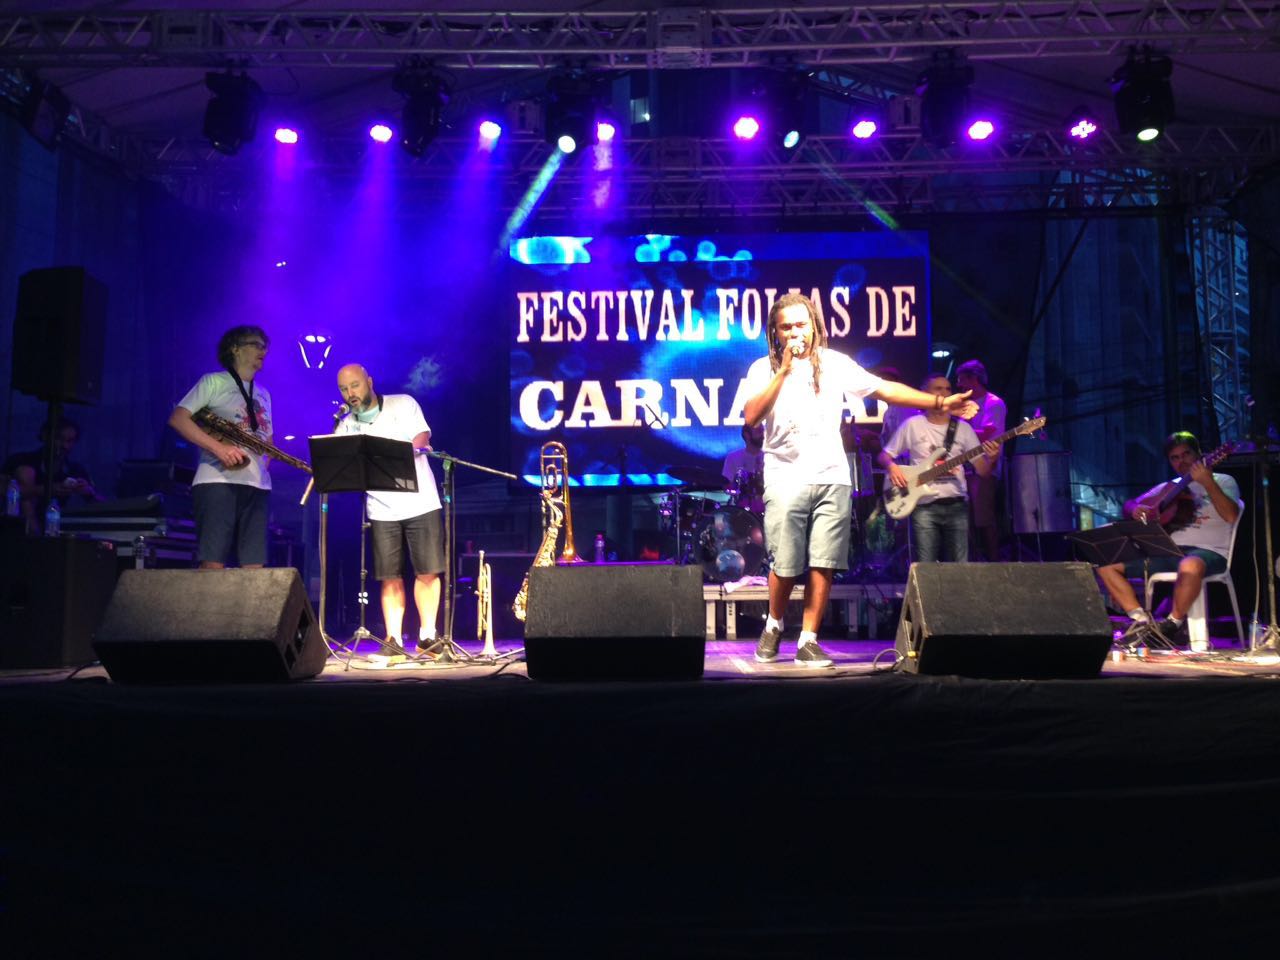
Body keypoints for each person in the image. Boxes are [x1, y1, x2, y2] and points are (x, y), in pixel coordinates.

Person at [743, 293, 978, 668]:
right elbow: (752, 416)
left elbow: (885, 389)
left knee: (825, 560)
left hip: (832, 475)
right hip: (785, 475)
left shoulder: (834, 364)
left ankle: (808, 640)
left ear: (814, 327)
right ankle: (773, 624)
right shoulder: (763, 369)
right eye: (786, 327)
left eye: (801, 324)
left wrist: (937, 403)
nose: (794, 333)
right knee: (785, 563)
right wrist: (783, 372)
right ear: (775, 331)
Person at [335, 363, 444, 662]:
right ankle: (393, 640)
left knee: (427, 570)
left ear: (369, 382)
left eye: (355, 385)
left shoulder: (403, 403)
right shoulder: (345, 424)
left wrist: (400, 455)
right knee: (389, 576)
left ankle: (427, 636)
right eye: (344, 389)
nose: (350, 393)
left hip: (421, 501)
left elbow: (422, 437)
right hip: (381, 509)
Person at [1095, 431, 1241, 645]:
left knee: (1189, 564)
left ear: (1199, 453)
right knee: (1107, 563)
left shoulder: (1224, 481)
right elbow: (1130, 504)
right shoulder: (1168, 487)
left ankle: (1172, 624)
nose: (1182, 461)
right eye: (1175, 458)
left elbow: (1231, 515)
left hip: (1209, 552)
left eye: (1186, 454)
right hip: (1168, 551)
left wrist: (1208, 482)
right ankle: (1141, 622)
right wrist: (1135, 509)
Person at [168, 326, 273, 569]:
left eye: (265, 346)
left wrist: (263, 467)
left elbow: (268, 439)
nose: (263, 351)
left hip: (258, 486)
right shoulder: (213, 381)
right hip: (217, 481)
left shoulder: (264, 393)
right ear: (235, 349)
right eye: (256, 344)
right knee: (213, 565)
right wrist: (219, 449)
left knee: (255, 569)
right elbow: (179, 419)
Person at [878, 374, 1000, 563]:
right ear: (925, 394)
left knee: (959, 567)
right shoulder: (912, 425)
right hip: (923, 506)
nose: (945, 393)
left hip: (957, 505)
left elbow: (983, 471)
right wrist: (892, 467)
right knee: (926, 567)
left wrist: (992, 458)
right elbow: (884, 456)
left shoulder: (963, 429)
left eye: (948, 389)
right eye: (938, 388)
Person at [2, 417, 104, 533]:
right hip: (14, 527)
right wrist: (45, 489)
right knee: (25, 474)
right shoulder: (20, 460)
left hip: (57, 528)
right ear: (45, 437)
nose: (65, 445)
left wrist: (89, 491)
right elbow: (3, 490)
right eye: (59, 439)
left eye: (70, 441)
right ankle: (35, 538)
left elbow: (102, 505)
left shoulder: (75, 470)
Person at [955, 359, 1007, 561]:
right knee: (965, 518)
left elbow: (986, 433)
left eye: (962, 380)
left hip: (985, 466)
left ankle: (994, 564)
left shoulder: (994, 403)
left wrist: (959, 431)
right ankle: (972, 563)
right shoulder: (965, 406)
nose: (959, 385)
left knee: (983, 517)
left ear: (974, 379)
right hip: (965, 468)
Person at [721, 422, 765, 512]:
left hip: (767, 507)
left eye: (763, 431)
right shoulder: (733, 458)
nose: (763, 435)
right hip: (740, 509)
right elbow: (726, 485)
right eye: (759, 431)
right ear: (747, 435)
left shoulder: (770, 457)